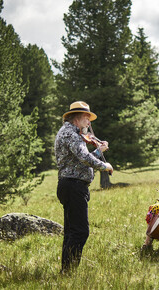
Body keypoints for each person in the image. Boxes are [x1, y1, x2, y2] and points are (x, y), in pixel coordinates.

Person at [54, 101, 113, 274]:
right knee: (80, 232)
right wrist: (105, 165)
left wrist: (98, 151)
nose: (89, 123)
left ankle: (66, 271)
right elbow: (83, 157)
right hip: (73, 186)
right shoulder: (71, 133)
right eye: (87, 118)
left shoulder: (71, 133)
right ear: (77, 118)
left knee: (72, 231)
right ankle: (69, 271)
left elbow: (80, 159)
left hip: (72, 185)